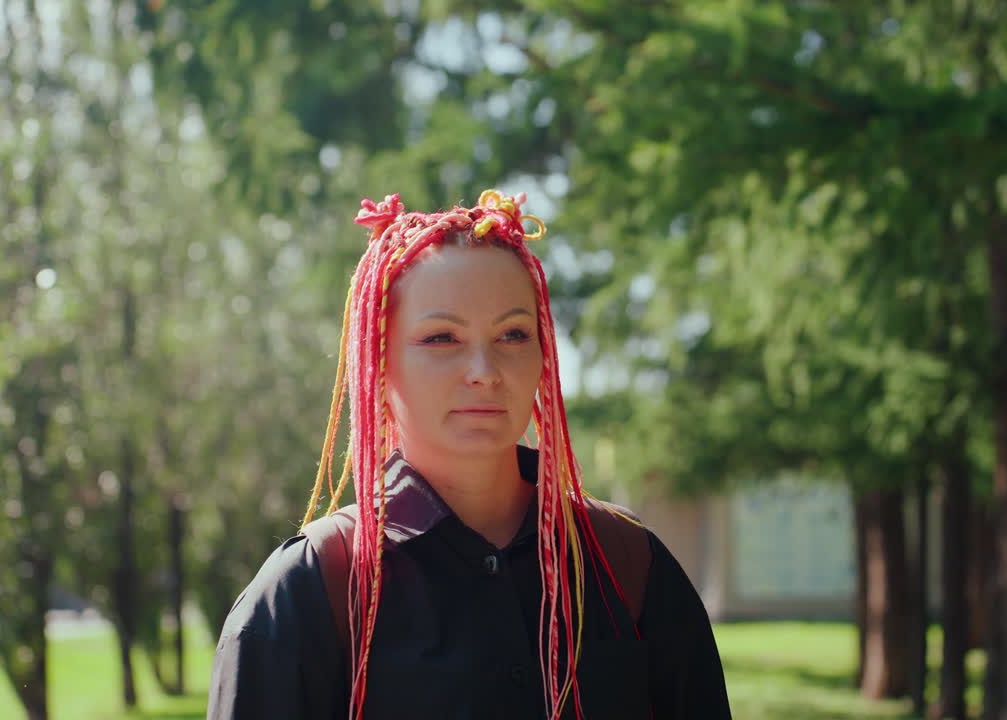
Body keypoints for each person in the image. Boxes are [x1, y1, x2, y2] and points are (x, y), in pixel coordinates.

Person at [206, 190, 731, 720]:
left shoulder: (628, 566)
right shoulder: (308, 594)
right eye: (441, 338)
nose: (484, 369)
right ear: (378, 365)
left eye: (513, 334)